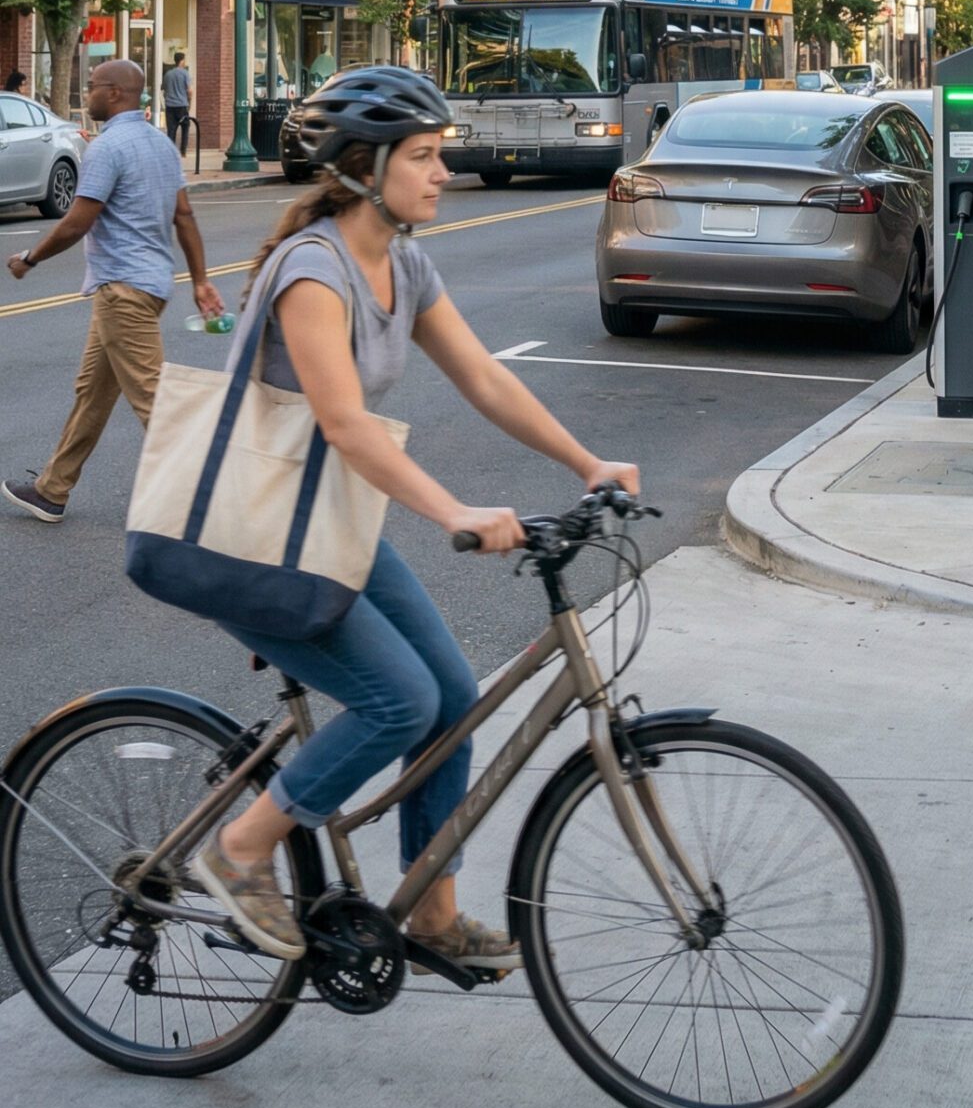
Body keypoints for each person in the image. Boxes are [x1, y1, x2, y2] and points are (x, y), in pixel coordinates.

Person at [185, 65, 640, 972]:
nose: (443, 171)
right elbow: (347, 423)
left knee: (451, 701)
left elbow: (484, 376)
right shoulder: (311, 269)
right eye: (425, 156)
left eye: (440, 155)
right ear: (364, 166)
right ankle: (238, 850)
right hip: (255, 535)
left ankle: (431, 912)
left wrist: (585, 463)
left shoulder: (403, 260)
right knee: (400, 702)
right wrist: (453, 511)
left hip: (328, 526)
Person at [2, 59, 224, 523]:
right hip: (147, 286)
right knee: (93, 392)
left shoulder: (107, 148)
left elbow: (78, 221)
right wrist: (200, 279)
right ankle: (52, 490)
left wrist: (30, 259)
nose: (88, 93)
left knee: (153, 397)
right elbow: (184, 217)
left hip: (124, 290)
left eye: (94, 87)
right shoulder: (161, 144)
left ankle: (220, 498)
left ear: (117, 93)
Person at [161, 51, 191, 150]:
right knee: (185, 128)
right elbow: (189, 90)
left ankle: (171, 151)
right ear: (182, 61)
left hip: (170, 106)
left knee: (171, 130)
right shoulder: (185, 73)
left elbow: (164, 90)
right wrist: (189, 103)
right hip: (182, 105)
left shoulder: (168, 74)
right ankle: (183, 151)